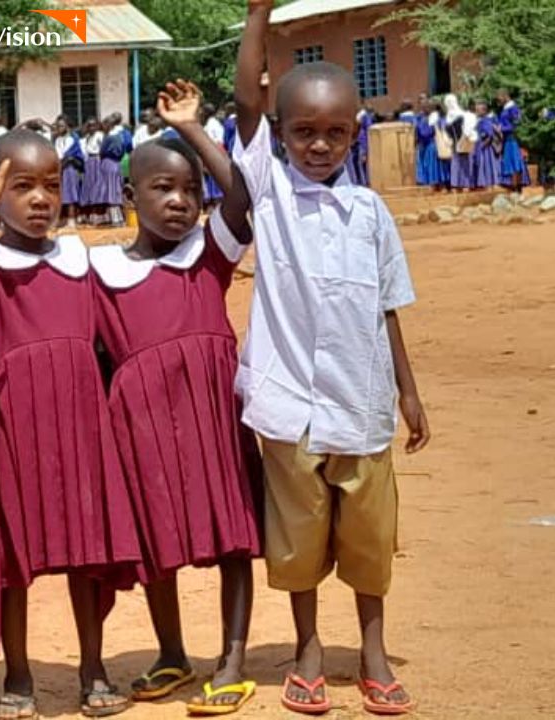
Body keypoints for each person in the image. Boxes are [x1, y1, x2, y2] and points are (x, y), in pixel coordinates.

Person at [232, 2, 430, 715]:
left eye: (335, 133)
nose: (319, 146)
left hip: (364, 404)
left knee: (371, 541)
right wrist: (258, 13)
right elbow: (247, 94)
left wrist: (409, 393)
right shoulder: (272, 192)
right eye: (303, 132)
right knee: (298, 542)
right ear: (279, 135)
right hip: (290, 407)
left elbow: (387, 308)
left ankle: (373, 653)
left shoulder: (371, 215)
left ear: (355, 133)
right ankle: (309, 650)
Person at [0, 131, 140, 719]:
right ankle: (19, 673)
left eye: (50, 186)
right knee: (15, 559)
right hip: (15, 433)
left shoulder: (81, 258)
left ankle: (93, 668)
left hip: (80, 428)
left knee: (88, 551)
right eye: (20, 187)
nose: (38, 199)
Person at [90, 80, 262, 716]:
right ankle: (171, 652)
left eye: (190, 190)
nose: (181, 203)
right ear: (130, 197)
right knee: (157, 536)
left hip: (214, 418)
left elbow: (241, 198)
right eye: (163, 189)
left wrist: (192, 130)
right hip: (144, 426)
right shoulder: (100, 272)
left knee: (233, 535)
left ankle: (233, 658)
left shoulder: (206, 256)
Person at [497, 89, 531, 191]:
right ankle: (514, 186)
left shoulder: (513, 108)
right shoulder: (505, 109)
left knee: (515, 161)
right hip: (507, 139)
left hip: (513, 138)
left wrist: (501, 128)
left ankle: (517, 187)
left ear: (505, 96)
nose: (498, 100)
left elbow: (516, 124)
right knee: (510, 162)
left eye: (499, 98)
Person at [54, 115, 84, 228]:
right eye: (58, 126)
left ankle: (71, 219)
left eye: (61, 126)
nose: (59, 128)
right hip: (59, 168)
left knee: (70, 193)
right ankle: (61, 219)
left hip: (69, 169)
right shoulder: (57, 140)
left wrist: (64, 162)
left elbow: (71, 155)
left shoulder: (72, 139)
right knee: (60, 193)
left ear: (67, 126)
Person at [445, 94, 476, 191]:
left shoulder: (458, 116)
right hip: (460, 142)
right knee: (460, 163)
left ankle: (462, 184)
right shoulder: (461, 114)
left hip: (460, 141)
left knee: (460, 163)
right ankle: (461, 184)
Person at [79, 118, 104, 224]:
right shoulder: (87, 137)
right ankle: (88, 214)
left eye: (93, 125)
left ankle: (97, 214)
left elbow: (102, 149)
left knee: (96, 186)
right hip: (88, 161)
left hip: (96, 161)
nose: (91, 128)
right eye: (89, 126)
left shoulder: (99, 135)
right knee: (88, 186)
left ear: (97, 126)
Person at [473, 100, 501, 190]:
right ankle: (486, 184)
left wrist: (482, 146)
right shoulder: (479, 121)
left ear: (484, 111)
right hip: (481, 146)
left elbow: (490, 135)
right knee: (484, 165)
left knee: (487, 165)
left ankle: (490, 184)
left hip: (486, 148)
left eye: (478, 110)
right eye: (476, 109)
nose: (476, 111)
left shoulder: (486, 121)